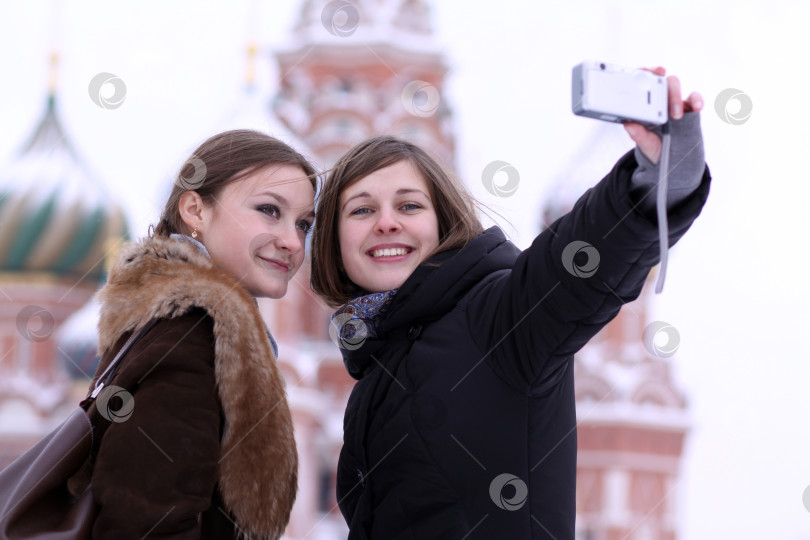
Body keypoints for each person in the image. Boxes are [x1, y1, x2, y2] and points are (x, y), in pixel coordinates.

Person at [310, 68, 711, 539]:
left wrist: (657, 175)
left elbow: (574, 269)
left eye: (410, 206)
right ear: (333, 242)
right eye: (361, 210)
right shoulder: (373, 371)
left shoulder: (497, 318)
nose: (386, 223)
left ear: (445, 223)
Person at [68, 129, 317, 539]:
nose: (292, 241)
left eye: (303, 224)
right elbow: (147, 524)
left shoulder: (176, 324)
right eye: (270, 210)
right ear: (195, 210)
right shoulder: (193, 338)